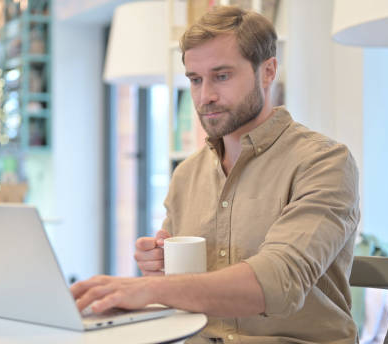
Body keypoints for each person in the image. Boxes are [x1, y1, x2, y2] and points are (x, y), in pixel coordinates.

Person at [71, 6, 360, 343]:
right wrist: (160, 269)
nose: (205, 96)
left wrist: (150, 287)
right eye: (195, 79)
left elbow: (280, 281)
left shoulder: (324, 162)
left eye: (221, 76)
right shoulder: (187, 174)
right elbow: (181, 292)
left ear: (268, 72)